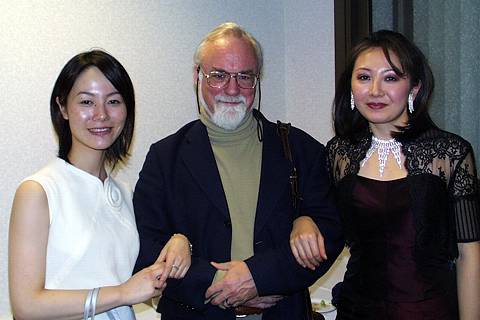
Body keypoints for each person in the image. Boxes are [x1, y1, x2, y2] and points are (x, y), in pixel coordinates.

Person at [133, 22, 344, 320]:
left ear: (257, 80)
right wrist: (217, 281)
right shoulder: (165, 157)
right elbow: (144, 247)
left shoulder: (298, 148)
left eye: (244, 76)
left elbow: (330, 232)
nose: (232, 89)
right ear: (197, 76)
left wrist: (258, 276)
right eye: (218, 75)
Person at [290, 30, 480, 319]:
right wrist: (302, 220)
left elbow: (470, 255)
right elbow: (321, 218)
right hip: (357, 310)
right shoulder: (338, 153)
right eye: (364, 77)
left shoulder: (451, 153)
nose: (375, 90)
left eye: (390, 78)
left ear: (414, 88)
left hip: (431, 311)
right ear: (351, 88)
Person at [8, 50, 191, 320]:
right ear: (62, 107)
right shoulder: (38, 191)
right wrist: (122, 293)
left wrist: (179, 242)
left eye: (113, 101)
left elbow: (144, 281)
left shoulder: (125, 194)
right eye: (86, 102)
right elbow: (26, 307)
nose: (101, 115)